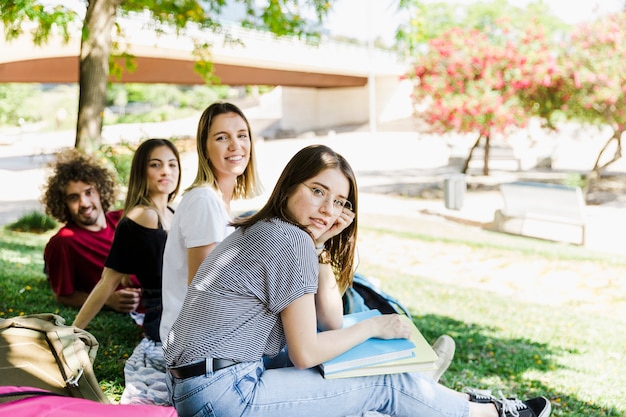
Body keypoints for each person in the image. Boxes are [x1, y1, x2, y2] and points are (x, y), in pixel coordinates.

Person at [163, 144, 551, 417]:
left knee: (352, 363)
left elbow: (330, 321)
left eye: (338, 202)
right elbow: (307, 353)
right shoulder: (286, 239)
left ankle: (435, 397)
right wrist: (375, 325)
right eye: (317, 192)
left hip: (201, 386)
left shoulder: (273, 231)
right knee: (384, 384)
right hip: (224, 396)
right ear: (290, 186)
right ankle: (487, 414)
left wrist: (320, 243)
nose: (327, 210)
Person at [73, 138, 181, 405]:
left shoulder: (171, 211)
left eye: (172, 164)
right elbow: (107, 281)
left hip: (181, 305)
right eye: (156, 165)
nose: (166, 171)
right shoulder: (142, 217)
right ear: (142, 172)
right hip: (164, 316)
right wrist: (74, 331)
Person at [159, 102, 262, 343]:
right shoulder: (203, 201)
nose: (236, 145)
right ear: (205, 149)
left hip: (213, 332)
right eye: (222, 138)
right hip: (198, 343)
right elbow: (204, 293)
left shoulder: (218, 201)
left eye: (241, 135)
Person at [42, 150, 141, 312]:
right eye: (73, 197)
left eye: (89, 192)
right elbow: (63, 295)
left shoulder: (126, 218)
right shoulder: (63, 242)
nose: (84, 203)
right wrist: (108, 300)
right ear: (63, 203)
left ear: (100, 191)